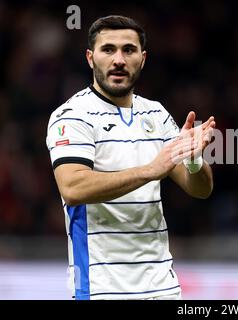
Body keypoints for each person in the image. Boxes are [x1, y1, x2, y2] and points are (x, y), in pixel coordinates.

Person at [45, 15, 215, 300]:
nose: (119, 60)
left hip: (163, 288)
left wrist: (194, 160)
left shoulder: (156, 114)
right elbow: (73, 188)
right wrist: (149, 170)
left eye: (129, 50)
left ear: (143, 58)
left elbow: (199, 189)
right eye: (108, 49)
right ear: (90, 58)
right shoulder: (72, 115)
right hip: (102, 289)